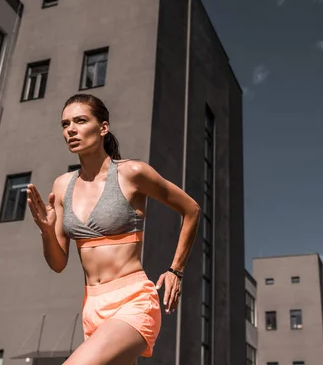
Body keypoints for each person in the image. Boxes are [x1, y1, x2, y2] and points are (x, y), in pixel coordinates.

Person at [26, 93, 201, 365]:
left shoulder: (131, 173)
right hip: (92, 307)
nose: (70, 129)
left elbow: (191, 210)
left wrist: (176, 270)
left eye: (81, 121)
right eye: (65, 124)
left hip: (133, 301)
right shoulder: (62, 186)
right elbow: (58, 263)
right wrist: (47, 232)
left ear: (103, 127)